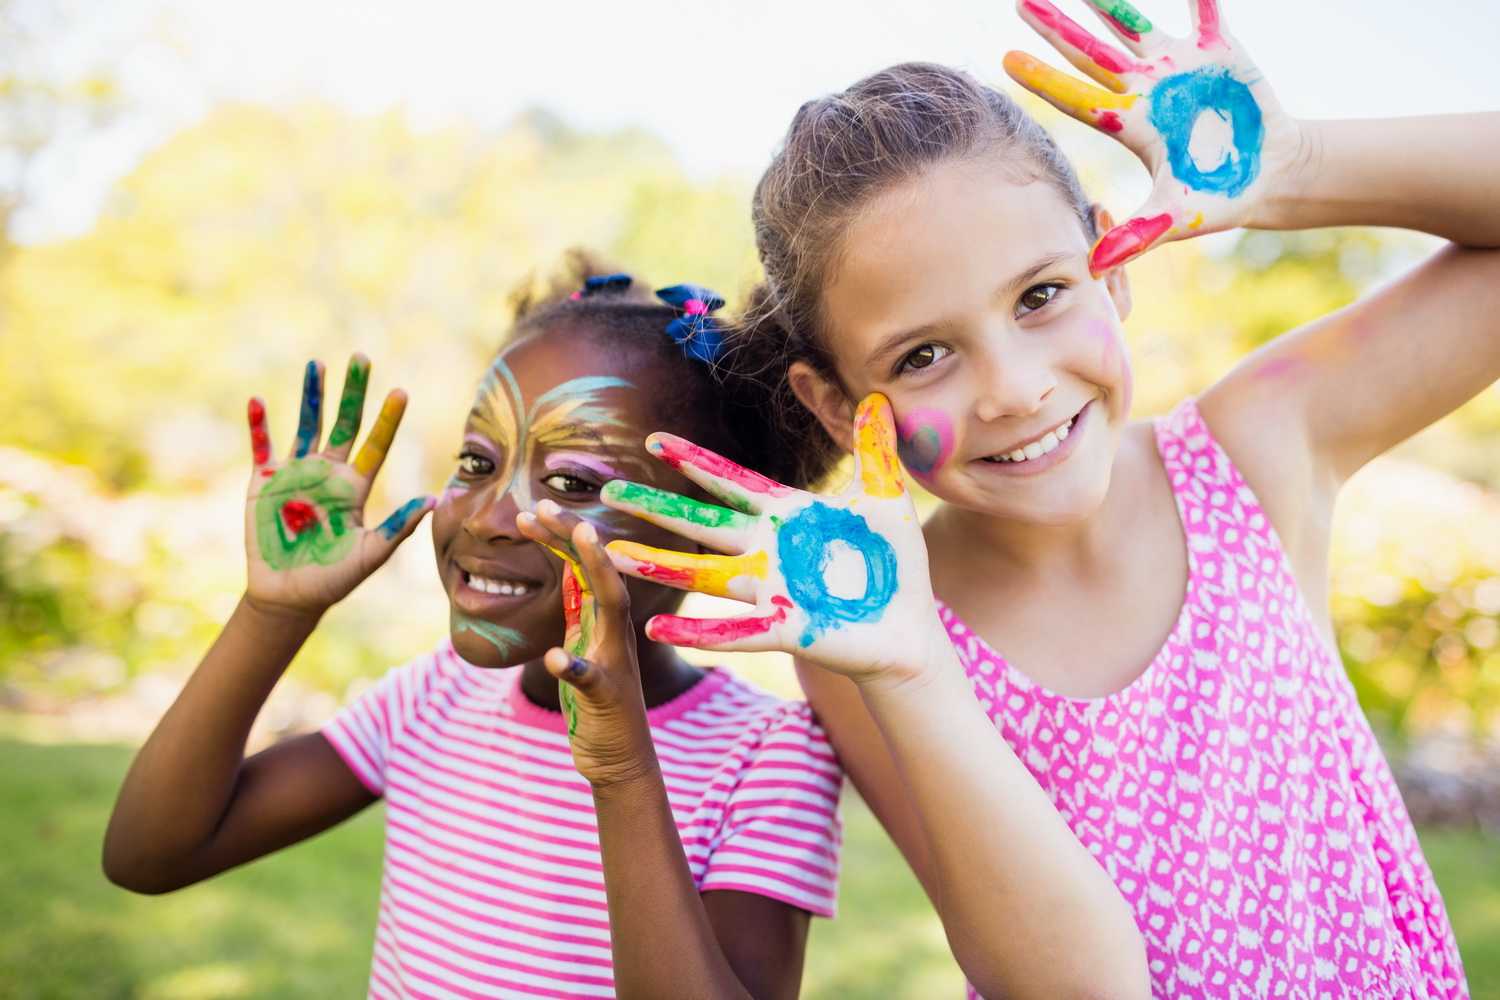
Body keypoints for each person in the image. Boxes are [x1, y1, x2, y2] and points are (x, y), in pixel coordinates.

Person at [595, 2, 1493, 997]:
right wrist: (914, 674)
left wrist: (1303, 169)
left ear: (1112, 268)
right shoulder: (874, 638)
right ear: (839, 403)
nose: (1015, 386)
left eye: (1040, 295)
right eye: (923, 354)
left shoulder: (1261, 446)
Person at [102, 263, 844, 1000]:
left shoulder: (768, 755)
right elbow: (149, 854)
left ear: (705, 530)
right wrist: (275, 612)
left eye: (573, 482)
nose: (487, 516)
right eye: (476, 462)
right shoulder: (433, 698)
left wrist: (621, 773)